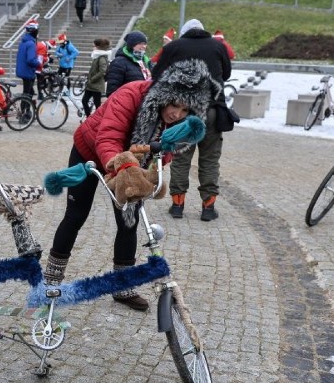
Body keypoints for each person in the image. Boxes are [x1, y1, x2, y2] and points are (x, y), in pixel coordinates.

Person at [45, 59, 219, 311]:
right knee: (76, 214)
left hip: (133, 164)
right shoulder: (130, 95)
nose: (176, 114)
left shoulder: (179, 121)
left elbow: (167, 150)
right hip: (91, 152)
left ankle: (122, 286)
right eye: (174, 105)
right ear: (164, 95)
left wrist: (150, 173)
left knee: (129, 220)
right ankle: (51, 279)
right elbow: (109, 136)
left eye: (184, 111)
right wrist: (123, 167)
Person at [153, 18, 231, 222]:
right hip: (212, 109)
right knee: (210, 159)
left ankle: (178, 205)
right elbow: (227, 73)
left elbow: (156, 74)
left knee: (180, 157)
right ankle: (208, 207)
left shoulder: (174, 47)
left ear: (184, 32)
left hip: (183, 110)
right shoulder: (217, 46)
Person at [105, 31, 151, 97]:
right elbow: (112, 91)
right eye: (141, 43)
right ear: (132, 45)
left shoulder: (147, 62)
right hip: (128, 103)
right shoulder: (119, 62)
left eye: (145, 43)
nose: (144, 46)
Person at [81, 37, 110, 117]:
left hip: (97, 86)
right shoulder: (96, 56)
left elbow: (102, 71)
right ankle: (88, 117)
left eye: (93, 46)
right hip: (91, 85)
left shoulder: (102, 58)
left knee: (97, 105)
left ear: (98, 47)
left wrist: (92, 79)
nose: (92, 47)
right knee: (84, 101)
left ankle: (96, 121)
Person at [15, 19, 41, 101]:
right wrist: (38, 63)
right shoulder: (31, 44)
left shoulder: (23, 42)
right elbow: (30, 60)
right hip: (28, 72)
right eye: (37, 30)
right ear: (34, 31)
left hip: (23, 70)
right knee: (27, 94)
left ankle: (27, 110)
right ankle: (24, 111)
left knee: (29, 92)